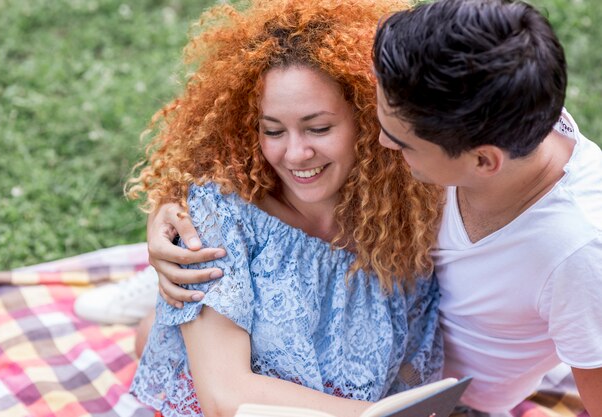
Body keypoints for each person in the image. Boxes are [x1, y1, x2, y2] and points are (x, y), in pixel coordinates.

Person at [149, 0, 602, 416]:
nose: (383, 141)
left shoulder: (577, 252)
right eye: (379, 118)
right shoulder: (481, 106)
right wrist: (169, 210)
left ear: (482, 161)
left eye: (402, 142)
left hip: (428, 391)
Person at [126, 1, 445, 416]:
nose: (295, 153)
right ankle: (156, 312)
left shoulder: (403, 212)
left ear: (367, 119)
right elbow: (225, 398)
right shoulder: (218, 214)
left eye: (319, 128)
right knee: (165, 338)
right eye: (272, 130)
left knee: (154, 332)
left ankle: (152, 315)